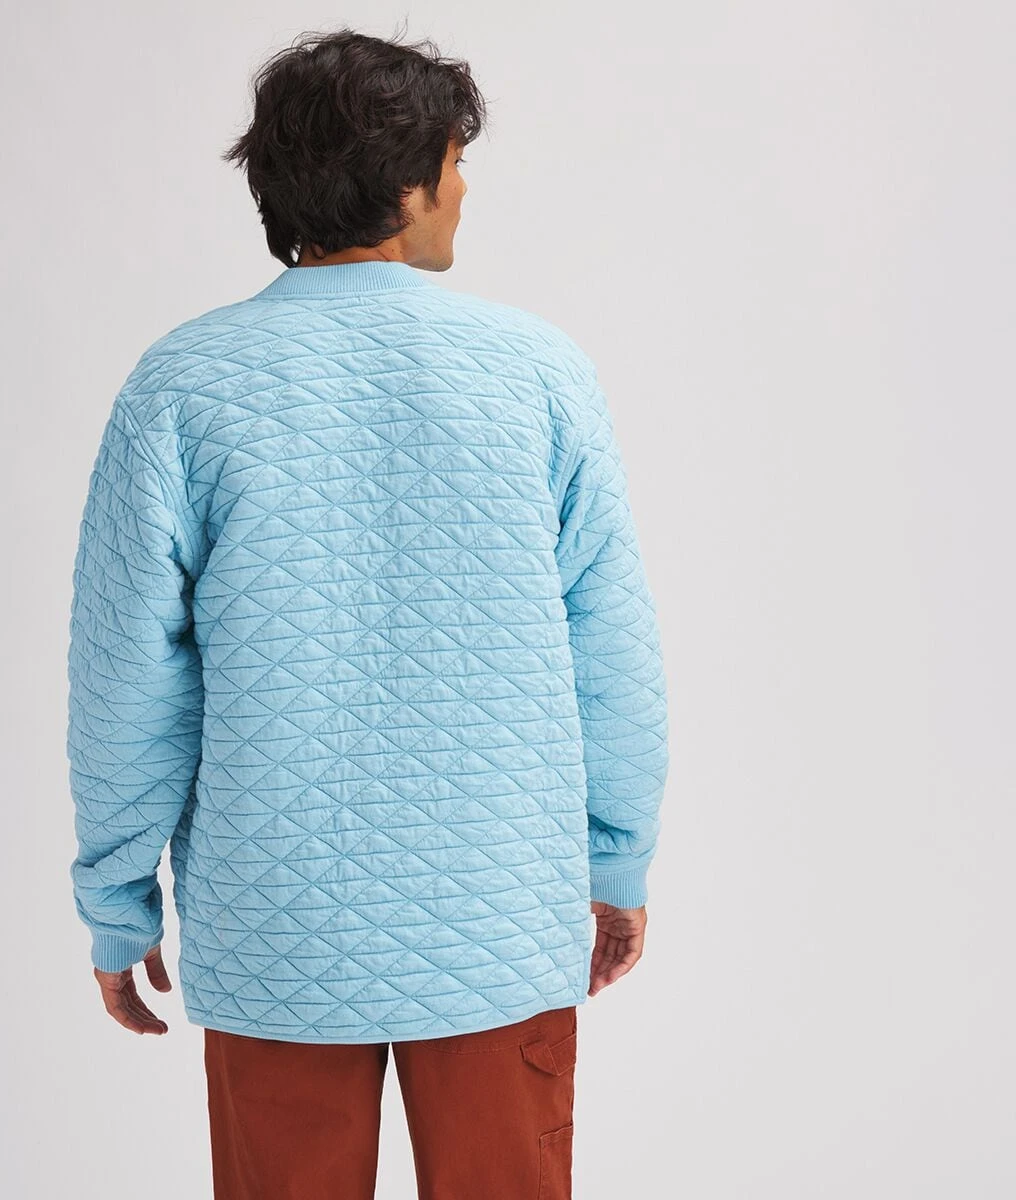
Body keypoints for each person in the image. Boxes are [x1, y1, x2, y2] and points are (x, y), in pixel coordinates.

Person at [66, 26, 669, 1200]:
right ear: (404, 181)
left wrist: (117, 902)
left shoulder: (182, 386)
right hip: (500, 918)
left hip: (276, 928)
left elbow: (126, 677)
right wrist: (617, 860)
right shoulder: (540, 373)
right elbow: (612, 648)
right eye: (454, 162)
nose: (463, 190)